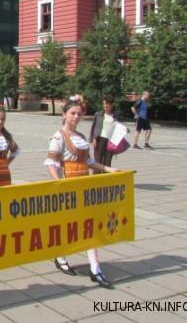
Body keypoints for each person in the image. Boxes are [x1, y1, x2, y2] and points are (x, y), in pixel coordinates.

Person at [45, 98, 122, 288]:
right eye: (72, 113)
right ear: (64, 114)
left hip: (84, 188)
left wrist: (109, 169)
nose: (76, 117)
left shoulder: (80, 136)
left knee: (90, 227)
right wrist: (60, 185)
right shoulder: (58, 137)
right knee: (68, 227)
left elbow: (88, 162)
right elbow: (52, 164)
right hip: (69, 189)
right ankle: (60, 255)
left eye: (79, 113)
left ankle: (95, 268)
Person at [89, 94, 122, 166]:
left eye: (107, 104)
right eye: (104, 104)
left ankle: (106, 177)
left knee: (107, 163)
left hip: (110, 141)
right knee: (98, 162)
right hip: (100, 140)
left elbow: (119, 128)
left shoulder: (115, 116)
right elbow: (94, 127)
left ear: (112, 104)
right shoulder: (98, 114)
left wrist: (125, 130)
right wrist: (93, 139)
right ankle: (97, 177)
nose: (105, 106)